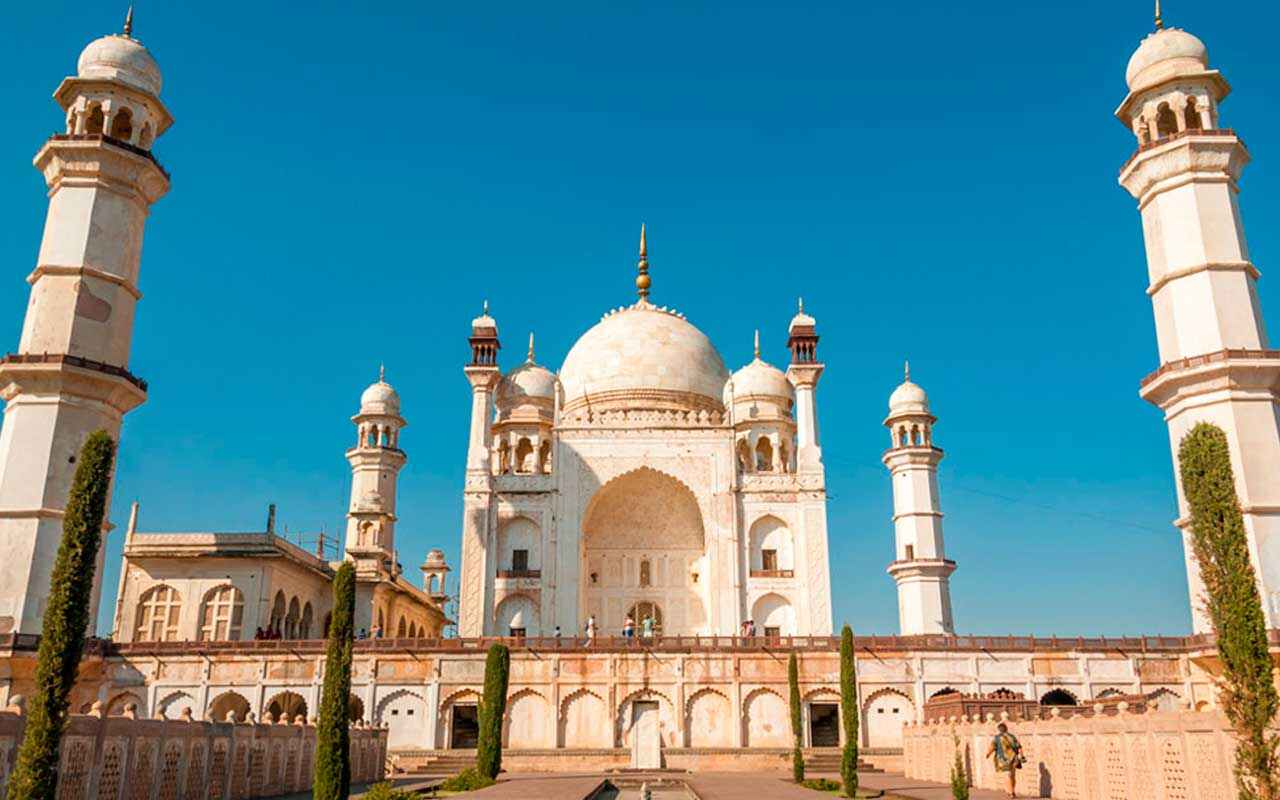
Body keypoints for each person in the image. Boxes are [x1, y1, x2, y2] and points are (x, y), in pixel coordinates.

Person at [985, 722, 1024, 798]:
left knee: (1007, 775)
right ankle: (1012, 791)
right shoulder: (1012, 737)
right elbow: (1019, 746)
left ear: (999, 729)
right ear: (1006, 729)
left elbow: (992, 747)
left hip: (1003, 760)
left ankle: (1010, 792)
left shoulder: (997, 738)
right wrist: (1022, 756)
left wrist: (988, 754)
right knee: (1012, 775)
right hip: (1014, 758)